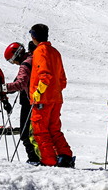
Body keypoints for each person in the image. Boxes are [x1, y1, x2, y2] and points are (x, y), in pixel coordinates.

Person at [26, 24, 74, 167]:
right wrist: (55, 91)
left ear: (34, 36)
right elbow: (62, 80)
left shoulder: (40, 51)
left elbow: (45, 75)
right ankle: (65, 157)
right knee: (54, 129)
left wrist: (37, 93)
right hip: (56, 98)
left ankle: (49, 161)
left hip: (42, 99)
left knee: (40, 131)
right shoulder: (55, 52)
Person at [2, 42, 40, 164]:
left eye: (12, 61)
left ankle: (34, 158)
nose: (14, 63)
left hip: (29, 101)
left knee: (25, 133)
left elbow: (20, 83)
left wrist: (3, 88)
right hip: (37, 99)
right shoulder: (33, 58)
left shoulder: (25, 63)